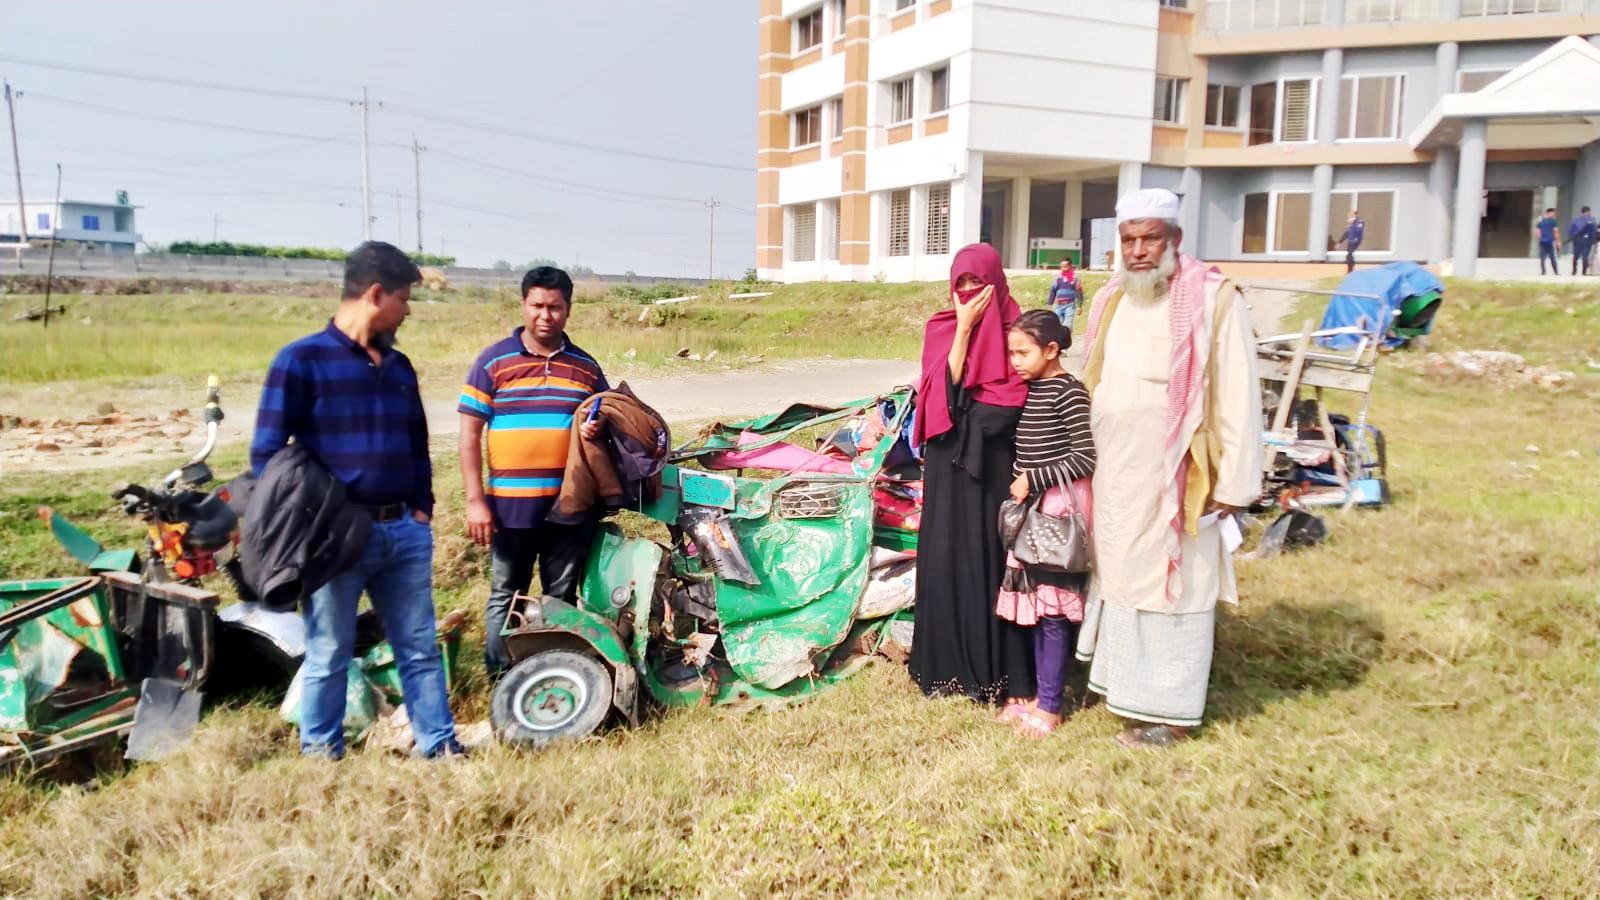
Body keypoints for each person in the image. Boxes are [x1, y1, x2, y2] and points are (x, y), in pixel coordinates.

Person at [251, 241, 463, 760]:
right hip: (335, 544)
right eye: (404, 298)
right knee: (328, 651)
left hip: (403, 534)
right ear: (375, 294)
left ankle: (439, 747)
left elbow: (417, 445)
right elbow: (267, 458)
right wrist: (307, 527)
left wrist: (422, 509)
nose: (408, 310)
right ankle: (321, 755)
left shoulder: (398, 368)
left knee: (418, 651)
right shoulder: (301, 362)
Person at [1073, 189, 1263, 749]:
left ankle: (1172, 715)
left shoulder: (1213, 298)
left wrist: (1234, 482)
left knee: (1175, 587)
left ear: (1174, 240)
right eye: (1128, 239)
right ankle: (1121, 687)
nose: (1137, 250)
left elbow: (1239, 394)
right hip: (1117, 473)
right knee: (1121, 577)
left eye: (1149, 238)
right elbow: (1094, 380)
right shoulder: (1112, 298)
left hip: (1180, 475)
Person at [459, 266, 609, 680]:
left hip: (569, 506)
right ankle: (501, 680)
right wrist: (475, 501)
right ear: (523, 305)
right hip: (509, 510)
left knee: (559, 598)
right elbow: (469, 434)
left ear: (569, 309)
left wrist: (595, 427)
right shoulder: (494, 362)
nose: (546, 315)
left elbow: (601, 417)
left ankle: (550, 676)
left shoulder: (585, 367)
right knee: (507, 596)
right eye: (538, 306)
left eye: (555, 307)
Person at [909, 243, 1034, 706]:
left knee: (990, 564)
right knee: (946, 558)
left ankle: (995, 673)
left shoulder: (1016, 333)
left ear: (995, 284)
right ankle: (942, 670)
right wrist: (963, 330)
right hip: (949, 469)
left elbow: (1023, 401)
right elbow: (941, 398)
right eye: (959, 284)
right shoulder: (941, 328)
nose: (967, 293)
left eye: (976, 284)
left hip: (995, 474)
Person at [994, 309, 1096, 738]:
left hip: (1056, 513)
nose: (1015, 361)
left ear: (1052, 350)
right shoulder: (1034, 390)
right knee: (1036, 609)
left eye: (1023, 352)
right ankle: (1039, 696)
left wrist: (1033, 478)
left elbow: (1086, 456)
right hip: (1032, 512)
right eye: (1011, 352)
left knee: (1053, 612)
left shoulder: (1069, 393)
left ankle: (1051, 705)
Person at [1045, 257, 1083, 334]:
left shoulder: (1075, 277)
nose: (1063, 268)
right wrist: (1049, 304)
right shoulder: (1058, 278)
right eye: (1062, 266)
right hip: (1058, 305)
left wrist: (1079, 306)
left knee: (1067, 325)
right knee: (1057, 324)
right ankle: (1059, 342)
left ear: (1070, 266)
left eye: (1065, 266)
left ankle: (1066, 341)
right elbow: (1053, 291)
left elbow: (1079, 293)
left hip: (1070, 305)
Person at [1568, 205, 1596, 276]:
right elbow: (1593, 231)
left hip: (1578, 240)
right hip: (1586, 241)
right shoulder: (1592, 220)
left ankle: (1574, 271)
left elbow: (1571, 231)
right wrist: (1593, 241)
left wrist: (1573, 238)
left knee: (1576, 256)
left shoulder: (1576, 220)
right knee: (1584, 256)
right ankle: (1584, 271)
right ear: (1588, 212)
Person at [1534, 208, 1562, 276]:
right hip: (1550, 241)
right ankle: (1556, 272)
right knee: (1552, 257)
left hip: (1542, 241)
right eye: (1553, 213)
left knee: (1542, 257)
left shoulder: (1540, 221)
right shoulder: (1553, 221)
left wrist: (1540, 238)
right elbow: (1555, 232)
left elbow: (1537, 231)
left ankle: (1543, 272)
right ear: (1550, 213)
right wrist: (1558, 241)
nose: (1554, 214)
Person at [1336, 209, 1364, 274]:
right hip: (1350, 240)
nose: (1349, 217)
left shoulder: (1359, 222)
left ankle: (1350, 270)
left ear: (1355, 215)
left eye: (1351, 215)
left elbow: (1358, 231)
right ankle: (1350, 269)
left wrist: (1352, 223)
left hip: (1355, 241)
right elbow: (1347, 233)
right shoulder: (1351, 223)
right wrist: (1340, 242)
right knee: (1349, 255)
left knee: (1350, 255)